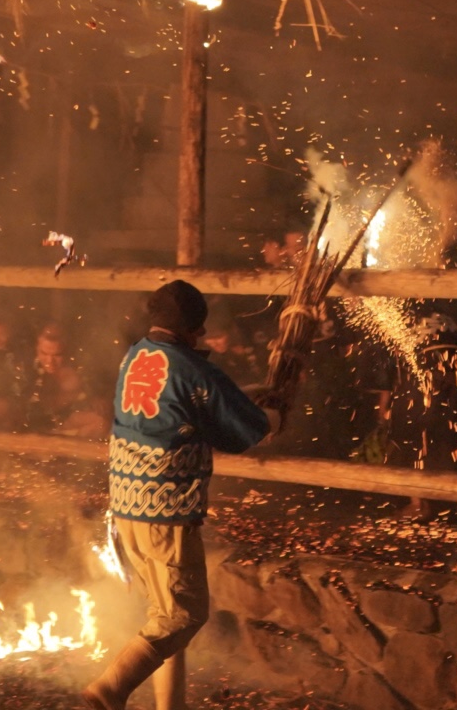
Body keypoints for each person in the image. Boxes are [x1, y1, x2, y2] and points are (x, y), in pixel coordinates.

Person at [82, 280, 272, 710]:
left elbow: (187, 410)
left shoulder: (135, 356)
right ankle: (111, 687)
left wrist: (245, 400)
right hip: (164, 515)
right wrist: (272, 413)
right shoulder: (195, 371)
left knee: (164, 619)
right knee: (183, 617)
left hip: (126, 507)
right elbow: (246, 432)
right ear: (195, 329)